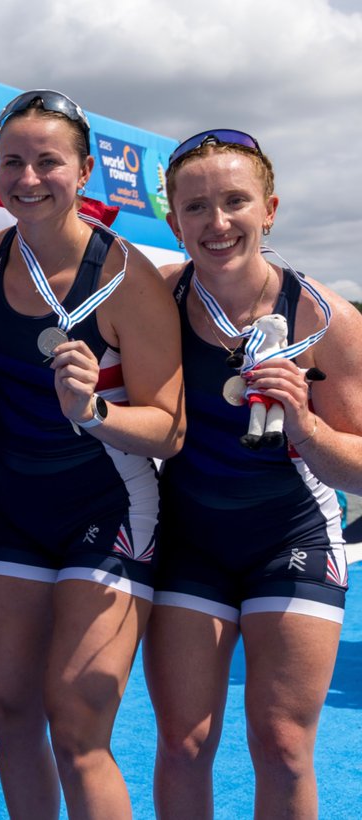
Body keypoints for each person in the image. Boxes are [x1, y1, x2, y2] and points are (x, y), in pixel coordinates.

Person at [0, 90, 184, 818]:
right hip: (18, 507)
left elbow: (170, 428)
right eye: (12, 162)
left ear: (83, 170)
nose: (28, 178)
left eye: (48, 162)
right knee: (9, 710)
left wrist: (93, 412)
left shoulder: (127, 276)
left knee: (78, 722)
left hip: (109, 504)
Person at [146, 129, 361, 819]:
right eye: (197, 206)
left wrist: (305, 423)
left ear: (269, 209)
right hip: (189, 541)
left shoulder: (325, 317)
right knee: (183, 742)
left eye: (235, 201)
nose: (218, 222)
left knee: (282, 744)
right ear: (174, 219)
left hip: (290, 537)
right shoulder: (155, 302)